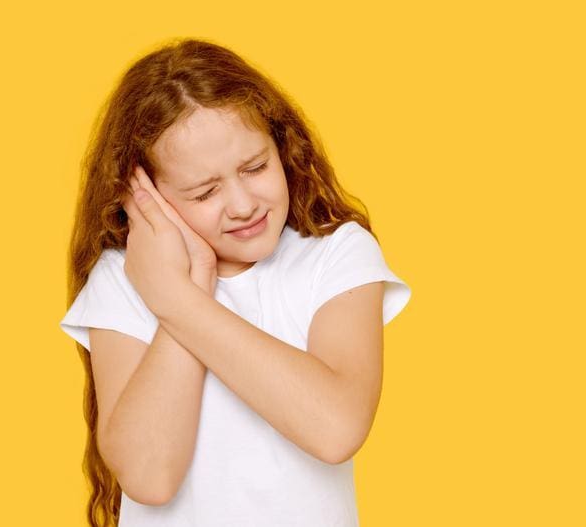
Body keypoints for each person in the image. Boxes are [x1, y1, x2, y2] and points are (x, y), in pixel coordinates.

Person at [59, 37, 412, 527]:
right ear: (145, 198)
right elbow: (148, 477)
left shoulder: (338, 255)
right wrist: (193, 280)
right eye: (205, 192)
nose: (244, 204)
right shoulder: (122, 280)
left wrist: (179, 299)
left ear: (282, 147)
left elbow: (336, 429)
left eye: (255, 167)